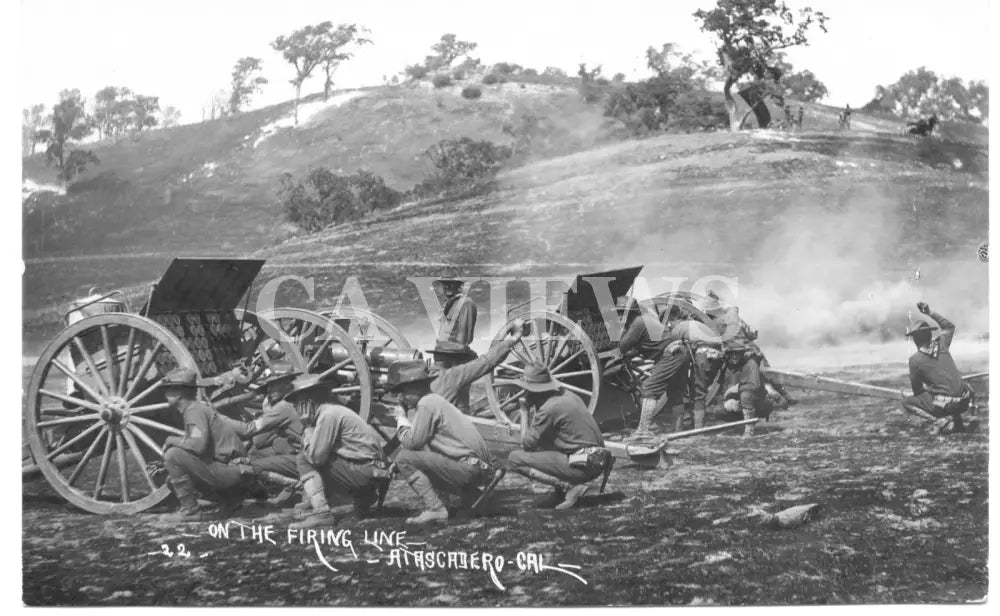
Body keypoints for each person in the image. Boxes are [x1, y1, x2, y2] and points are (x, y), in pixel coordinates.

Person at [385, 360, 497, 525]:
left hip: (469, 470)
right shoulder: (435, 400)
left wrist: (401, 417)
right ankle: (466, 498)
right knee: (410, 458)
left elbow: (412, 443)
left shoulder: (426, 404)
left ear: (415, 388)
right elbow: (424, 445)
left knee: (403, 457)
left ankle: (435, 508)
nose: (402, 399)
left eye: (403, 392)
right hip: (479, 469)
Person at [284, 374, 390, 529]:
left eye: (297, 404)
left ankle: (322, 514)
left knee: (304, 459)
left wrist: (307, 427)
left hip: (365, 472)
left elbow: (316, 458)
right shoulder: (334, 410)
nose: (296, 409)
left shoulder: (328, 415)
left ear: (307, 403)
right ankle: (363, 500)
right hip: (375, 470)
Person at [506, 364, 611, 510]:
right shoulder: (568, 395)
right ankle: (560, 493)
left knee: (514, 459)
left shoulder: (548, 408)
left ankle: (569, 487)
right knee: (546, 443)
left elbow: (527, 445)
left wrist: (524, 411)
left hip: (584, 464)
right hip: (599, 460)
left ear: (532, 390)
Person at [160, 367, 254, 522]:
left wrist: (171, 440)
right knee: (171, 479)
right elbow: (200, 451)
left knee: (173, 455)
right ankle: (229, 501)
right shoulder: (197, 409)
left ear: (178, 393)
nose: (165, 394)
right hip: (237, 472)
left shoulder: (194, 411)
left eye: (168, 390)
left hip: (233, 472)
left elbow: (198, 446)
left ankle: (190, 511)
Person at [902, 302, 975, 434]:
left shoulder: (914, 360)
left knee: (907, 401)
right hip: (965, 401)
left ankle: (940, 421)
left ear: (916, 340)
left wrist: (928, 390)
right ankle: (957, 422)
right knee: (949, 389)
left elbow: (918, 391)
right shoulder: (942, 344)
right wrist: (930, 312)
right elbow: (949, 327)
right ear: (929, 335)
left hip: (947, 406)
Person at [619, 302, 688, 440]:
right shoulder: (646, 319)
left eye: (621, 313)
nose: (620, 316)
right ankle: (678, 431)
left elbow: (623, 346)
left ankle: (643, 431)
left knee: (649, 389)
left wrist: (621, 331)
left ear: (630, 313)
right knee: (675, 392)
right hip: (680, 352)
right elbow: (646, 345)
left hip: (670, 354)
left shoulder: (638, 322)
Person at [426, 318, 526, 413]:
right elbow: (487, 361)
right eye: (464, 362)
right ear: (455, 362)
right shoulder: (452, 377)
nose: (466, 364)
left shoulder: (425, 378)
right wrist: (515, 337)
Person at [234, 361, 303, 481]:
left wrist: (217, 417)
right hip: (309, 453)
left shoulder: (283, 407)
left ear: (287, 383)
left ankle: (291, 485)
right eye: (268, 386)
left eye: (273, 384)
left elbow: (250, 432)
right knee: (263, 450)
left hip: (306, 460)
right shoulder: (299, 398)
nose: (269, 390)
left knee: (251, 463)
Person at [719, 340, 772, 438]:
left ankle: (749, 429)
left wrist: (736, 388)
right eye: (732, 354)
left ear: (742, 354)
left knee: (745, 395)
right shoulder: (727, 366)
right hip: (738, 403)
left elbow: (754, 386)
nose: (734, 356)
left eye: (737, 353)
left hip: (757, 402)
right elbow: (722, 389)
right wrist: (728, 402)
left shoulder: (751, 364)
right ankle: (738, 425)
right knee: (718, 410)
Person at [434, 272, 478, 361]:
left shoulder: (465, 303)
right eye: (445, 284)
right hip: (444, 353)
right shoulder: (449, 304)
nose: (447, 286)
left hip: (456, 357)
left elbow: (463, 338)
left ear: (458, 286)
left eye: (451, 284)